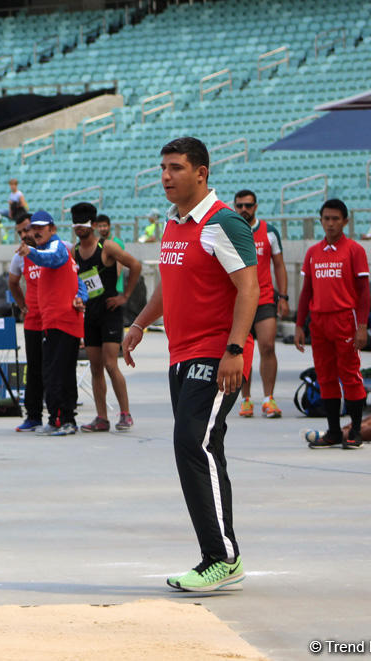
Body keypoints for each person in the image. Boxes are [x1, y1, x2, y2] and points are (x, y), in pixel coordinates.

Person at [122, 136, 257, 593]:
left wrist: (234, 351)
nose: (166, 176)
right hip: (181, 356)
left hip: (217, 356)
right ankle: (222, 554)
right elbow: (168, 284)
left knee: (191, 444)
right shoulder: (173, 225)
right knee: (203, 448)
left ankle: (220, 558)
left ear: (201, 172)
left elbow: (249, 289)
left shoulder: (224, 224)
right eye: (163, 168)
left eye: (176, 168)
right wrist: (140, 323)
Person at [295, 198, 371, 449]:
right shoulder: (313, 252)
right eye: (326, 218)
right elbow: (306, 291)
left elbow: (363, 293)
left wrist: (361, 326)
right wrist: (299, 325)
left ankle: (356, 430)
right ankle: (334, 431)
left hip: (344, 320)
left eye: (335, 219)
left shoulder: (354, 250)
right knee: (325, 376)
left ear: (345, 221)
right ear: (321, 221)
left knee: (350, 375)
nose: (330, 224)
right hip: (319, 322)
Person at [71, 202, 142, 432]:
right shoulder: (75, 252)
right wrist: (78, 299)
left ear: (92, 225)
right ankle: (102, 417)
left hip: (111, 312)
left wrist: (125, 296)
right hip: (91, 314)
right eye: (76, 225)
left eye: (83, 224)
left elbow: (135, 265)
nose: (79, 229)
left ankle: (125, 413)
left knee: (111, 364)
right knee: (95, 367)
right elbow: (78, 283)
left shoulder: (107, 247)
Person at [18, 210, 87, 435]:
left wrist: (30, 253)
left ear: (53, 229)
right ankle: (60, 418)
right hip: (55, 322)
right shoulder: (52, 250)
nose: (36, 231)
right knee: (58, 372)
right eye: (33, 228)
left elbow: (51, 259)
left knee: (57, 373)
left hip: (62, 322)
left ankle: (63, 419)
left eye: (41, 227)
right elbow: (80, 283)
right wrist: (81, 297)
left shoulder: (56, 248)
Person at [231, 190, 288, 419]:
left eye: (248, 205)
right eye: (240, 205)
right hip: (239, 300)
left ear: (256, 207)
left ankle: (268, 398)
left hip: (264, 298)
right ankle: (245, 399)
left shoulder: (270, 232)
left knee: (268, 346)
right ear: (235, 207)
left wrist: (283, 297)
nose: (244, 209)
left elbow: (280, 266)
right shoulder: (231, 231)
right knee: (242, 352)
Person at [7, 211, 44, 432]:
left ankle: (63, 415)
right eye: (20, 231)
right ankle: (33, 416)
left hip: (56, 318)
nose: (23, 234)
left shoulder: (57, 249)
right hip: (33, 320)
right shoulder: (19, 257)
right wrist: (22, 305)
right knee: (34, 368)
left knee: (57, 367)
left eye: (26, 229)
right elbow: (13, 282)